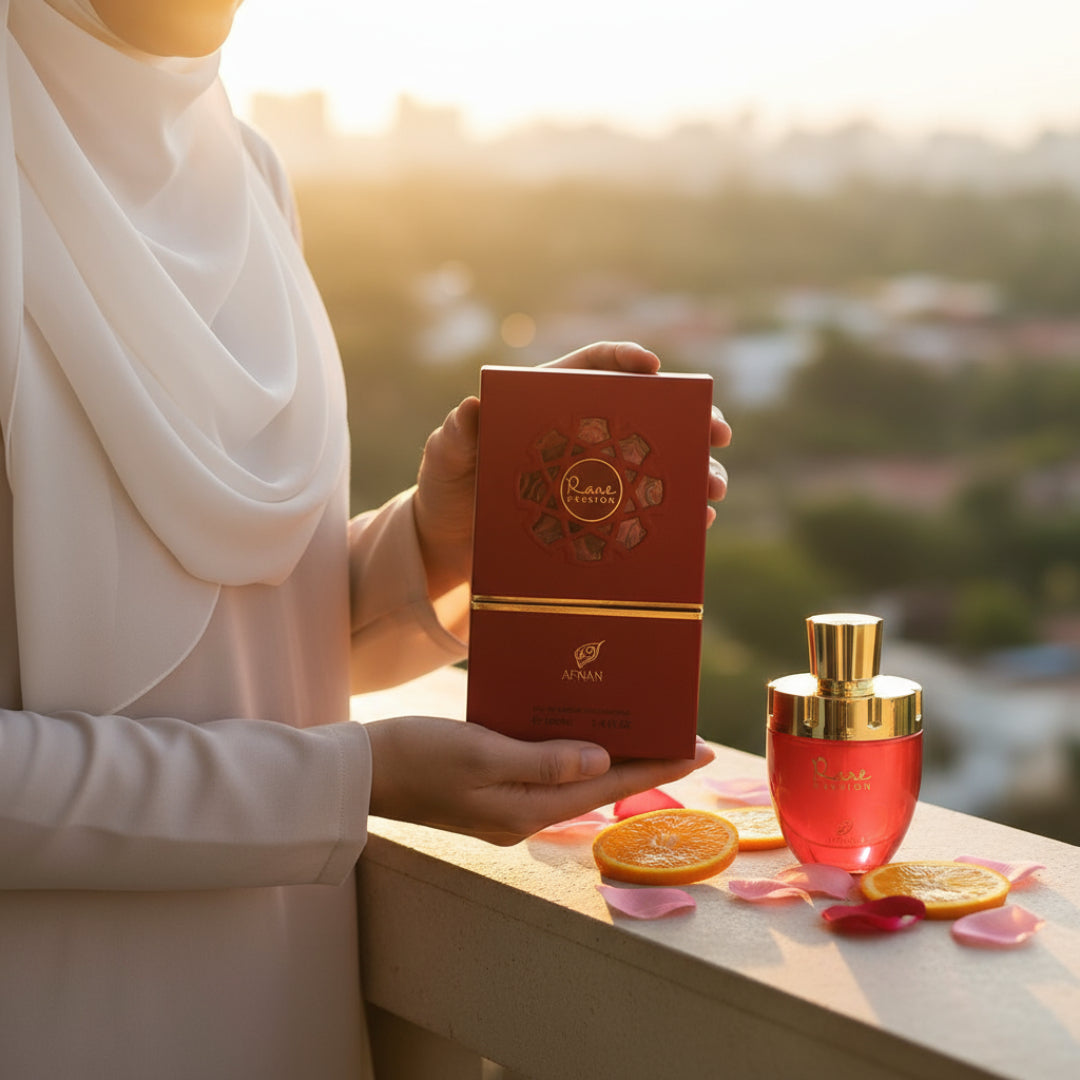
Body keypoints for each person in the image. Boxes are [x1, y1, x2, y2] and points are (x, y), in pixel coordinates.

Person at [0, 1, 733, 1077]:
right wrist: (346, 785)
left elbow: (227, 640)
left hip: (282, 1000)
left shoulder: (244, 170)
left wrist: (438, 542)